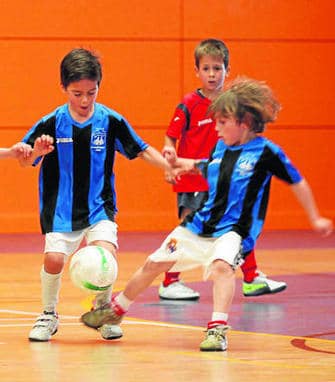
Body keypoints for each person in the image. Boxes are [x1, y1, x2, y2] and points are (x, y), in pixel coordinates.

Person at [80, 76, 333, 351]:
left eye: (223, 122)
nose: (216, 127)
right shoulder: (222, 146)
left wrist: (315, 217)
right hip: (198, 224)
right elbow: (208, 165)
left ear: (244, 123)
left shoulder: (266, 152)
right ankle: (116, 309)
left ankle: (217, 330)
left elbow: (298, 181)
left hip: (234, 231)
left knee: (223, 268)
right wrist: (179, 163)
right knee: (154, 263)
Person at [19, 48, 174, 342]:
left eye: (92, 92)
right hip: (60, 208)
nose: (85, 101)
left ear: (99, 86)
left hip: (99, 206)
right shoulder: (50, 122)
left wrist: (169, 167)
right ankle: (48, 314)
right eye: (77, 93)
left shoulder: (111, 121)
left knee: (106, 256)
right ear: (64, 88)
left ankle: (102, 310)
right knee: (53, 260)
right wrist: (35, 152)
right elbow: (25, 159)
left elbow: (141, 149)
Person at [159, 38, 286, 300]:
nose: (212, 74)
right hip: (193, 180)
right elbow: (171, 136)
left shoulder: (234, 104)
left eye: (217, 68)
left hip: (223, 180)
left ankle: (251, 278)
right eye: (206, 68)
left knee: (236, 226)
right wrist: (169, 157)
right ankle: (169, 281)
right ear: (197, 71)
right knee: (187, 231)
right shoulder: (189, 104)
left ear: (227, 69)